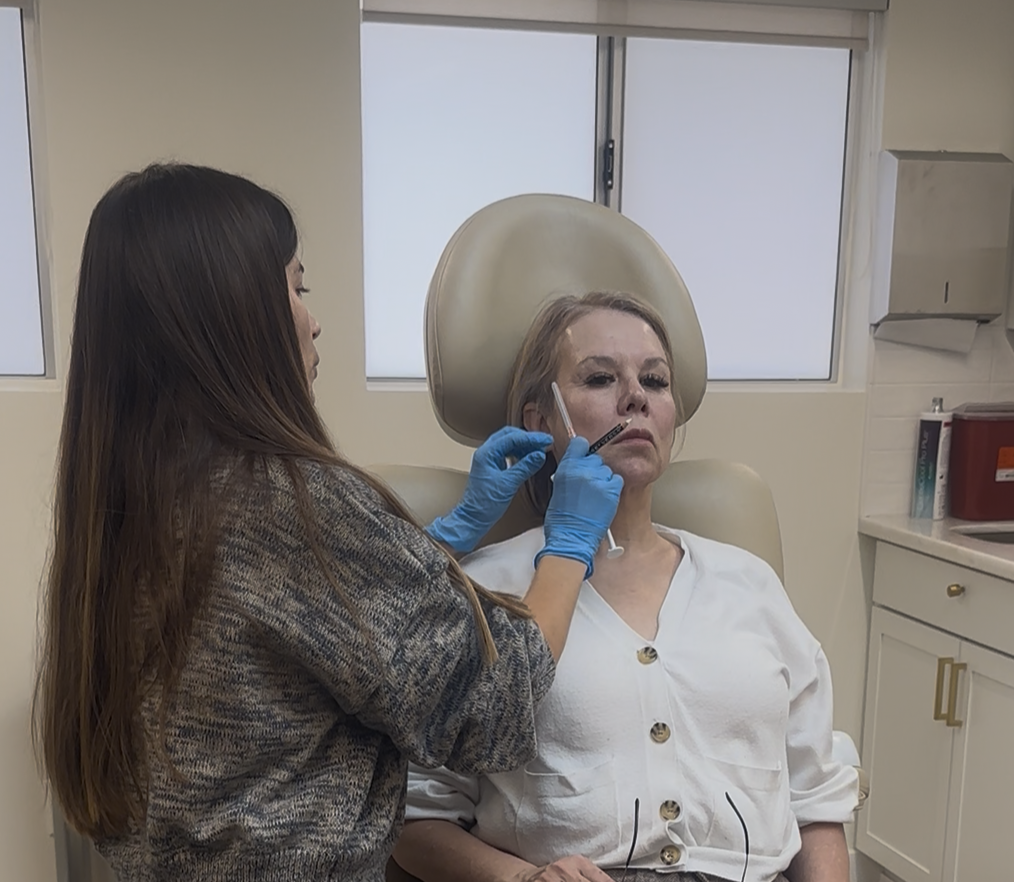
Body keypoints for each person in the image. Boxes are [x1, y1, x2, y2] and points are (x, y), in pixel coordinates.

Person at [32, 164, 625, 882]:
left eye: (654, 379)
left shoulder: (130, 501)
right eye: (297, 288)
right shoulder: (291, 500)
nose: (313, 320)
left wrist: (440, 541)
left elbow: (286, 628)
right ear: (233, 313)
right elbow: (491, 708)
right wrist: (569, 542)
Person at [393, 292, 859, 882]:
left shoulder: (749, 583)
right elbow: (414, 817)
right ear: (540, 421)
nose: (636, 397)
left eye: (655, 381)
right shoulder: (484, 589)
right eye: (600, 378)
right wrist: (522, 879)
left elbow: (815, 803)